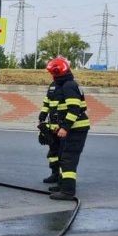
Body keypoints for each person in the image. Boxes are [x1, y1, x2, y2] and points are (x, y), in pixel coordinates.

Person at [43, 57, 90, 200]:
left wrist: (65, 128)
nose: (52, 76)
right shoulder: (65, 84)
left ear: (59, 72)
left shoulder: (69, 85)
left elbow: (74, 109)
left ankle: (68, 191)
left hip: (76, 129)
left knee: (68, 159)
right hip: (71, 128)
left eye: (53, 73)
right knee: (63, 157)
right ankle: (62, 185)